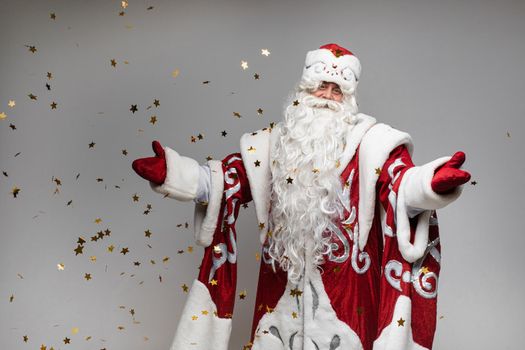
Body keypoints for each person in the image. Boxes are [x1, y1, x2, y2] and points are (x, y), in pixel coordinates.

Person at [132, 43, 471, 350]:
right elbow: (227, 179)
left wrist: (431, 182)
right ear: (304, 90)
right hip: (280, 289)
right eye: (321, 86)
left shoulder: (373, 144)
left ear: (349, 98)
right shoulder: (274, 143)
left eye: (337, 90)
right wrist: (175, 175)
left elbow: (401, 181)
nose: (327, 95)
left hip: (348, 295)